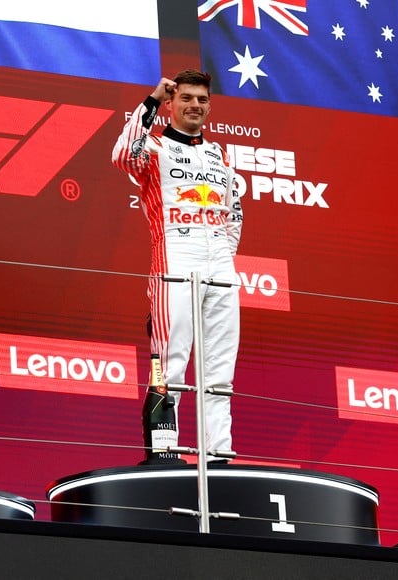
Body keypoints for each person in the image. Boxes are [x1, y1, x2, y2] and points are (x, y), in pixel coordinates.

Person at [112, 70, 243, 461]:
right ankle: (163, 453)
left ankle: (218, 456)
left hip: (221, 265)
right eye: (186, 98)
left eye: (202, 100)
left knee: (220, 369)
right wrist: (151, 99)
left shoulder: (219, 154)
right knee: (168, 363)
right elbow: (121, 155)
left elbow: (234, 212)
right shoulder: (153, 146)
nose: (195, 106)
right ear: (171, 104)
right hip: (175, 258)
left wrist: (223, 253)